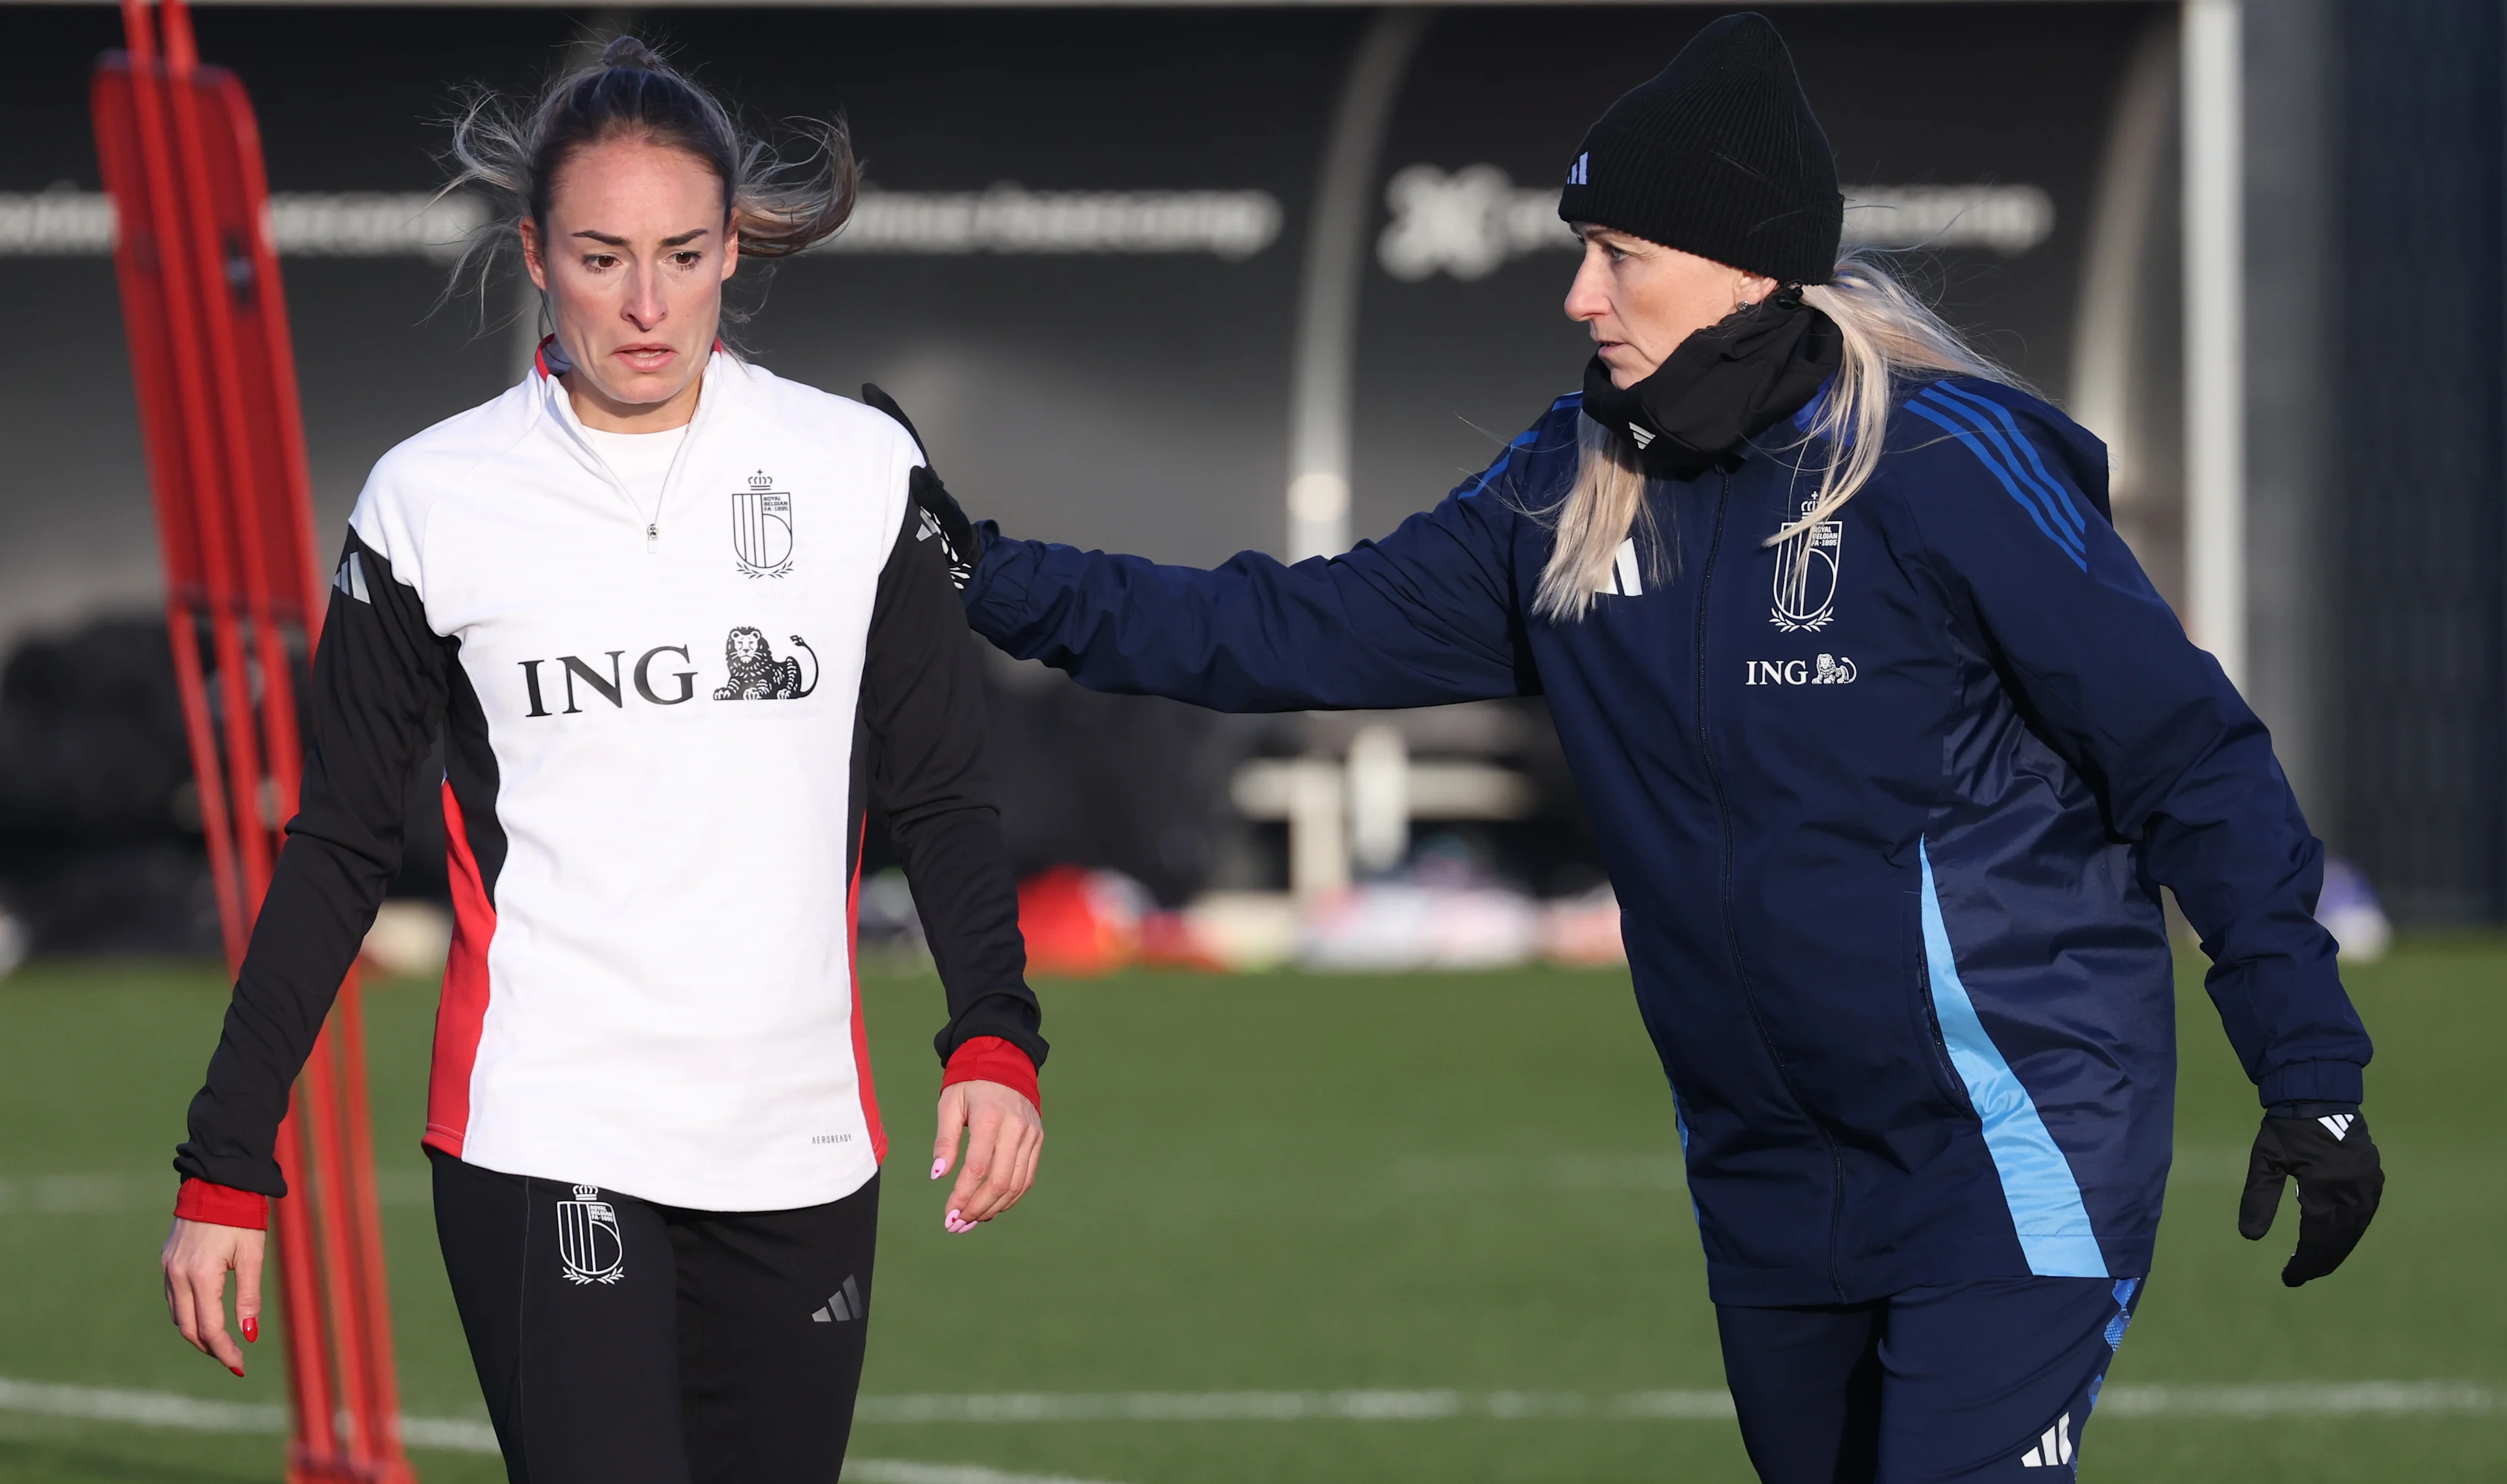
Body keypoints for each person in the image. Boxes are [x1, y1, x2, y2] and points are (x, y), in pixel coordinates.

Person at [906, 13, 2383, 1482]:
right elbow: (1284, 626)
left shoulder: (1945, 466)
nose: (1576, 294)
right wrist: (986, 578)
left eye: (1618, 253)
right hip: (1766, 1181)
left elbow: (2194, 760)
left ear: (1746, 261)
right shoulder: (1565, 484)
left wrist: (2306, 1060)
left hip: (2009, 1147)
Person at [158, 38, 1045, 1483]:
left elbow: (940, 790)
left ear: (733, 254)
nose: (646, 303)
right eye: (602, 255)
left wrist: (994, 1031)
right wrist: (227, 1157)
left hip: (799, 1139)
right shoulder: (431, 500)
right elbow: (332, 846)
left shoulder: (854, 472)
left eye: (685, 254)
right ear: (534, 255)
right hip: (544, 1122)